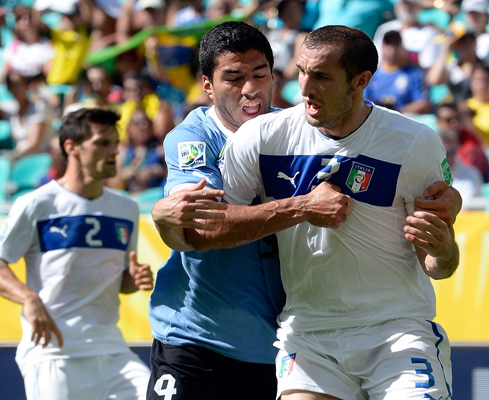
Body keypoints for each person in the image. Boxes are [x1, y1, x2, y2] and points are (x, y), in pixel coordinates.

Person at [149, 21, 462, 400]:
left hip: (383, 334)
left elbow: (438, 257)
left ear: (360, 81)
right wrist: (301, 207)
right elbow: (200, 229)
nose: (306, 88)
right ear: (207, 85)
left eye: (260, 74)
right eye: (302, 72)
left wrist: (446, 238)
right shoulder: (232, 137)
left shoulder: (409, 141)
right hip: (232, 336)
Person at [0, 107, 154, 399]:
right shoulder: (36, 204)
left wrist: (134, 278)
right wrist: (28, 298)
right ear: (71, 147)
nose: (113, 152)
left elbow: (122, 282)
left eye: (115, 143)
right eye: (101, 143)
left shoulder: (126, 208)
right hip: (53, 352)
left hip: (112, 350)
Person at [364, 30, 431, 115]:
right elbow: (364, 99)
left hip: (405, 117)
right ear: (382, 47)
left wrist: (397, 112)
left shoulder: (414, 73)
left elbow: (423, 103)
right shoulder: (372, 72)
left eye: (396, 44)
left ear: (402, 47)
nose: (392, 48)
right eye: (388, 44)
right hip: (375, 117)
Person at [436, 102, 489, 183]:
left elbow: (467, 173)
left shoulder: (471, 141)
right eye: (448, 120)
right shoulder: (431, 142)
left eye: (457, 118)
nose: (454, 123)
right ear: (438, 122)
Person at [439, 128, 483, 208]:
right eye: (444, 152)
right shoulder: (426, 173)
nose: (447, 157)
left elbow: (465, 208)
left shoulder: (471, 174)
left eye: (452, 152)